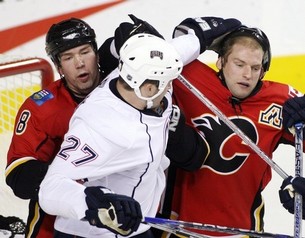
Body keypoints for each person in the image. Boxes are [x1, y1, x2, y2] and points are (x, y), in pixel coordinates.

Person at [159, 17, 305, 236]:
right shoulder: (189, 78)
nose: (247, 74)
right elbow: (158, 50)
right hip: (177, 228)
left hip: (243, 231)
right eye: (239, 64)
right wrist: (198, 31)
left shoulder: (281, 101)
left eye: (256, 68)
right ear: (221, 62)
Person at [38, 33, 183, 237]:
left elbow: (174, 55)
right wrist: (98, 202)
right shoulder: (100, 126)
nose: (170, 88)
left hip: (136, 228)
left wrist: (201, 34)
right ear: (149, 88)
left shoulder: (134, 80)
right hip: (90, 234)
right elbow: (50, 189)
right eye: (167, 83)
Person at [5, 17, 112, 238]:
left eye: (85, 52)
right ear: (58, 66)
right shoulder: (41, 109)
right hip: (58, 218)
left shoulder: (123, 89)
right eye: (68, 57)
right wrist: (71, 177)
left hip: (121, 207)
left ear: (97, 53)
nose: (80, 63)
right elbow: (19, 175)